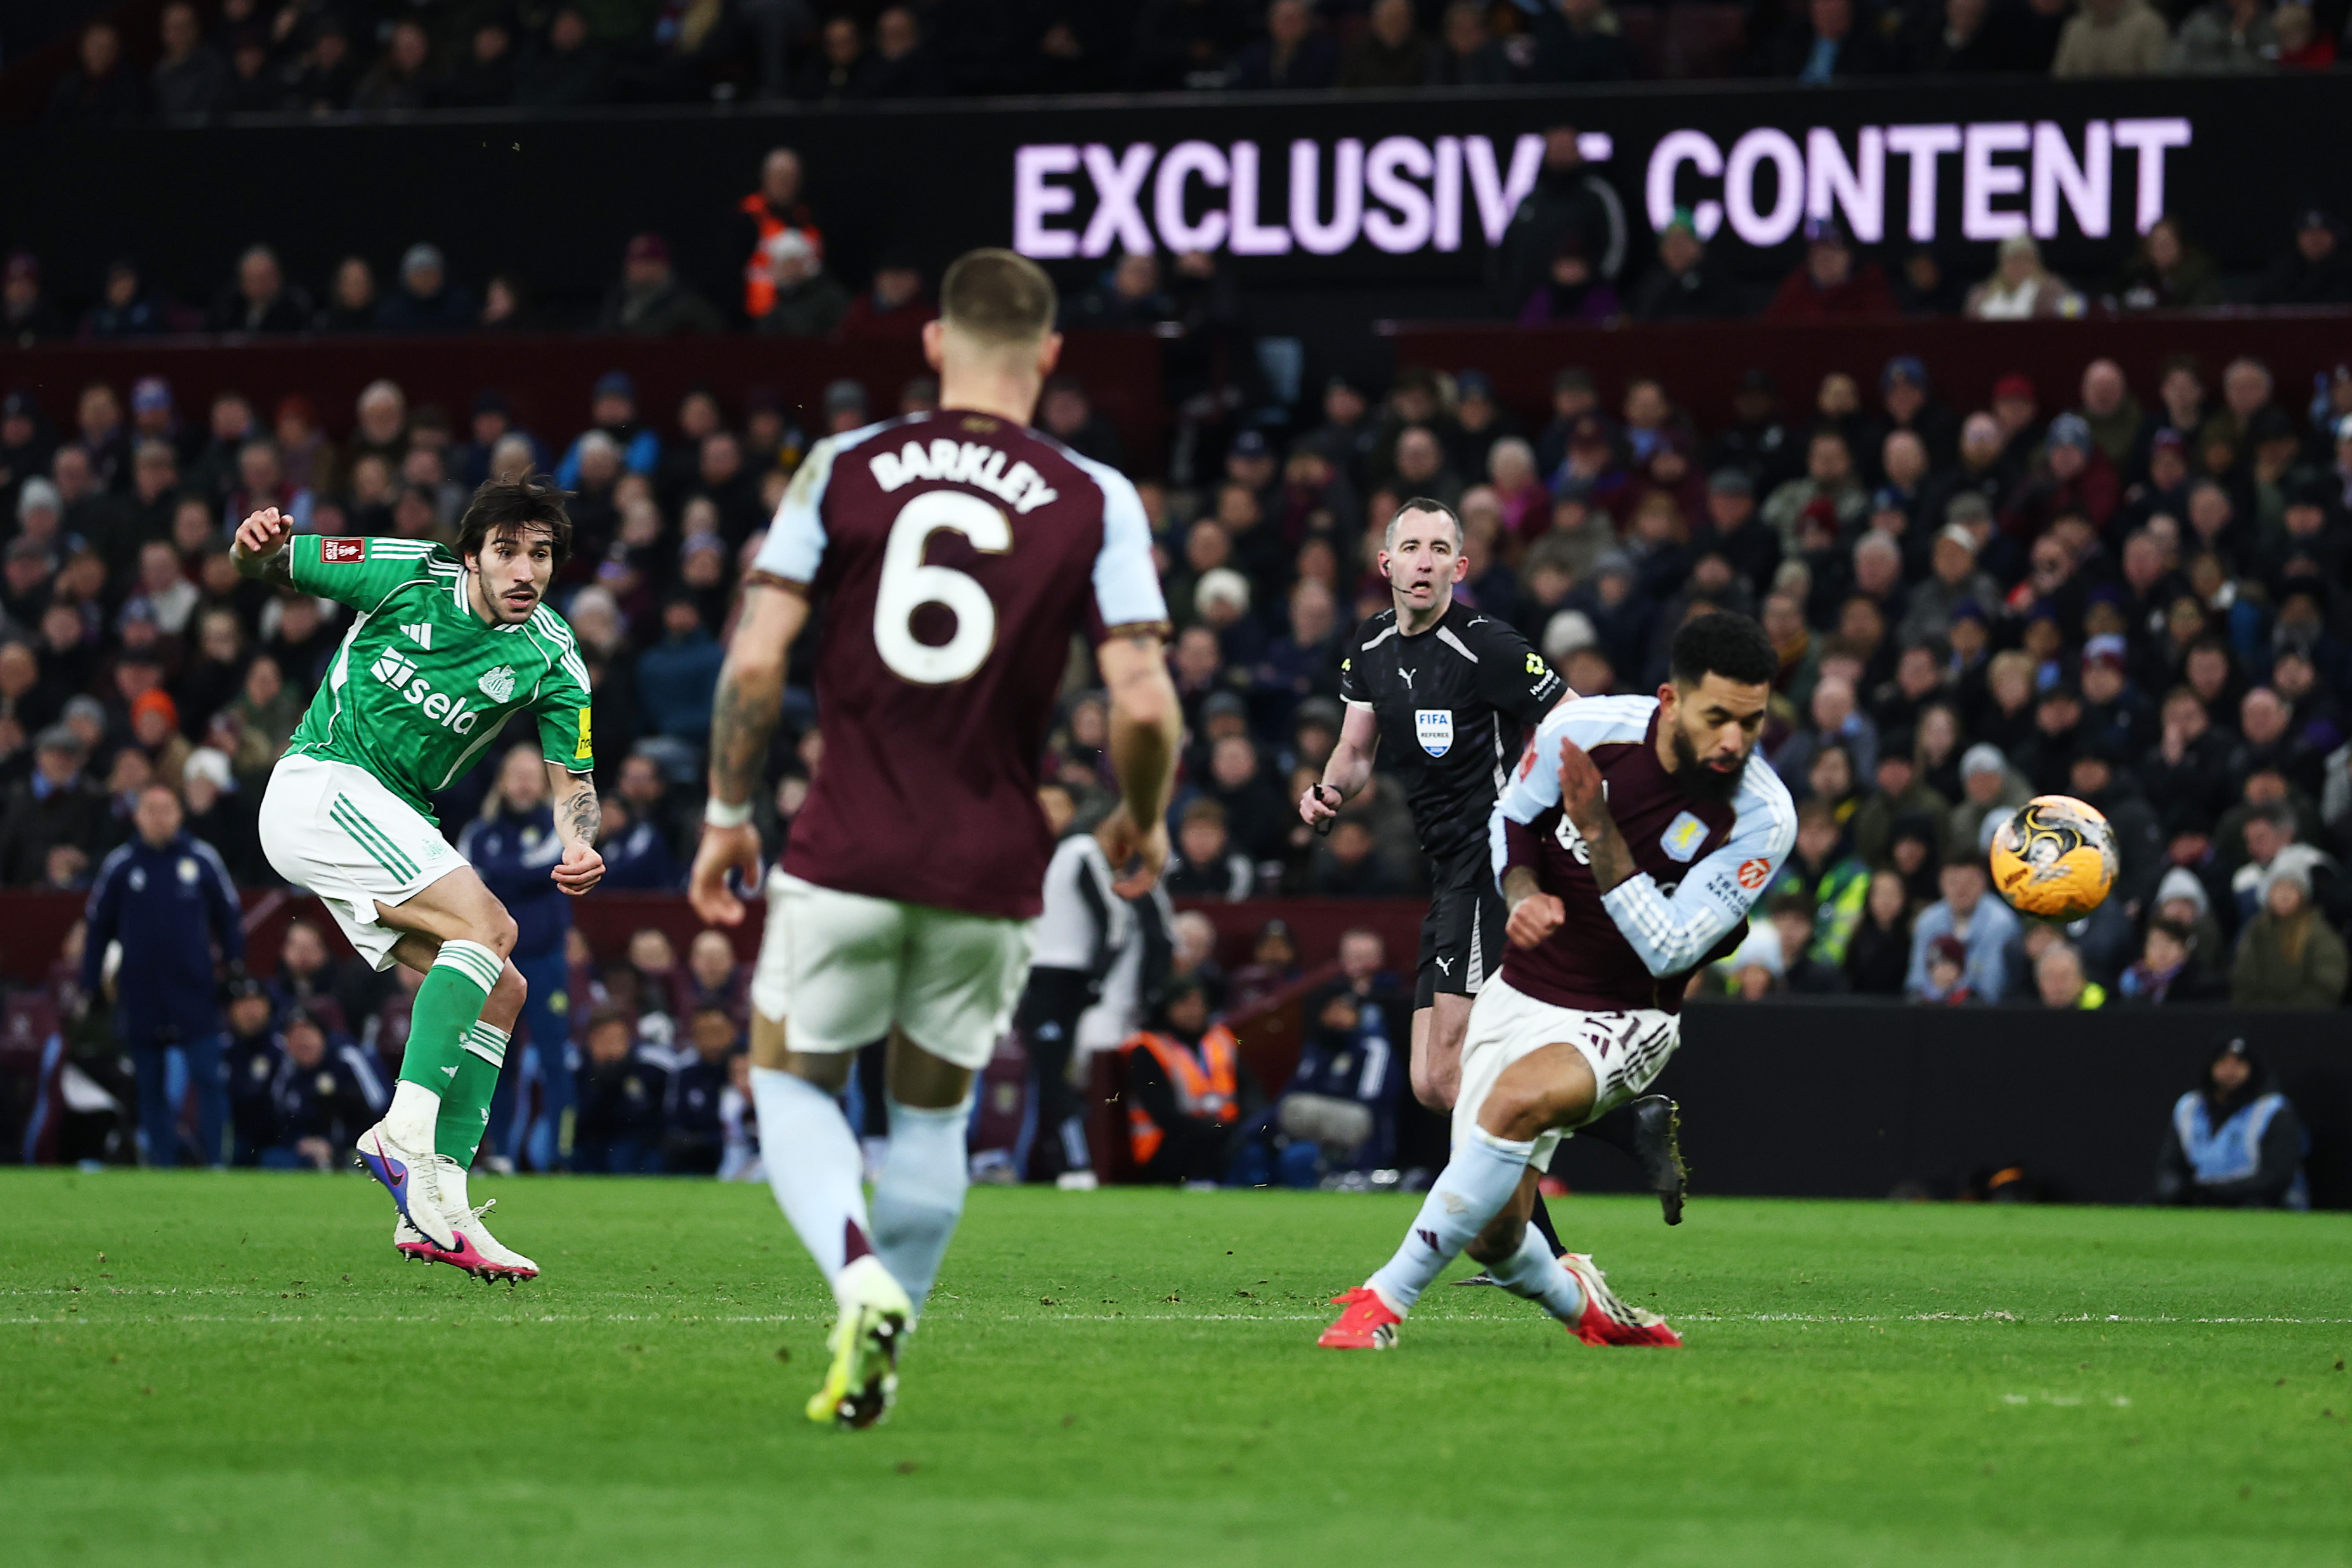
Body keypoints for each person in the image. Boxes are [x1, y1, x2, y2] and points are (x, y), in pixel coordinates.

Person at [687, 249, 1180, 1430]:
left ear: (930, 345)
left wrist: (723, 811)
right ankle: (886, 1325)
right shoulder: (1094, 495)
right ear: (1050, 356)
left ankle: (858, 1283)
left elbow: (755, 659)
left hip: (845, 845)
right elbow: (1148, 702)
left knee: (785, 1076)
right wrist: (1142, 819)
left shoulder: (838, 466)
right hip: (989, 867)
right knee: (932, 1117)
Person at [1319, 613, 1793, 1354]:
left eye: (1753, 721)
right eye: (1717, 718)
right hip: (1522, 992)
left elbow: (1670, 951)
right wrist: (1523, 887)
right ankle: (1587, 1311)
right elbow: (1514, 814)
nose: (1734, 740)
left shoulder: (1762, 816)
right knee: (1494, 1237)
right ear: (1670, 701)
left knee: (1510, 1106)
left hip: (1627, 1017)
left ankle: (1380, 1301)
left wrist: (1600, 833)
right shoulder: (1592, 730)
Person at [230, 476, 605, 1282]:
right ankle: (402, 1139)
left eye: (540, 555)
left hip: (388, 818)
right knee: (490, 927)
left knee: (503, 987)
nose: (524, 571)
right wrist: (251, 544)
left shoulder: (552, 657)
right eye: (506, 551)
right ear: (471, 555)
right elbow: (269, 566)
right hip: (322, 783)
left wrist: (578, 841)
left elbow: (574, 776)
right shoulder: (404, 572)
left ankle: (439, 1204)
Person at [1303, 497, 1689, 1229]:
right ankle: (1622, 1123)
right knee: (1432, 1081)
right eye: (1411, 547)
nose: (1424, 561)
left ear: (1460, 566)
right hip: (1446, 870)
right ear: (1386, 563)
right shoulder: (1371, 646)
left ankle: (1532, 1245)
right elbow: (1355, 752)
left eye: (1439, 549)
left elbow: (1576, 720)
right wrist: (1328, 791)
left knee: (1458, 1072)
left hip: (1494, 862)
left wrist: (1583, 817)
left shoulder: (1489, 647)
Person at [80, 782, 244, 1167]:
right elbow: (97, 927)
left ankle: (217, 1162)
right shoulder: (121, 865)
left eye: (166, 809)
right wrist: (91, 984)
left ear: (180, 814)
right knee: (148, 1086)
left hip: (194, 992)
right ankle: (160, 1165)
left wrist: (234, 968)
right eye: (150, 810)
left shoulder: (201, 859)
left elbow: (230, 918)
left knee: (208, 1079)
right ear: (137, 816)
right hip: (142, 994)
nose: (158, 818)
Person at [456, 743, 579, 1173]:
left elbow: (546, 866)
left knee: (554, 1060)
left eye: (533, 774)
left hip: (545, 960)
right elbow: (462, 881)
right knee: (494, 1058)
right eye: (517, 773)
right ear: (502, 781)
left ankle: (562, 1157)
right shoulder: (479, 831)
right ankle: (501, 1154)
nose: (525, 783)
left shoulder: (556, 827)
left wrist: (500, 873)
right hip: (495, 963)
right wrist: (512, 874)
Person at [1016, 802, 1134, 1188]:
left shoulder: (1080, 849)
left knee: (1052, 1074)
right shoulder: (1052, 854)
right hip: (1040, 974)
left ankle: (1078, 1165)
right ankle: (1060, 1161)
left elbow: (1114, 921)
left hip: (1061, 977)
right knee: (1046, 1073)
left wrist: (1095, 979)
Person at [1118, 976, 1260, 1184]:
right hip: (1166, 1145)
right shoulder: (1148, 1049)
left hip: (1223, 1134)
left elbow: (1250, 1091)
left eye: (1198, 1003)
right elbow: (1164, 1113)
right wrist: (1215, 1130)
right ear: (1167, 1007)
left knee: (1252, 1143)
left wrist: (1242, 1127)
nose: (1193, 1011)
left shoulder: (1221, 1041)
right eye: (1184, 1004)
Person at [2155, 1036, 2310, 1209]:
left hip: (2259, 1204)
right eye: (2223, 1062)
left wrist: (2217, 1192)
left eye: (2239, 1063)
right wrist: (2176, 1190)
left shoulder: (2272, 1110)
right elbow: (2169, 1164)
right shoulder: (2190, 1108)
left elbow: (2277, 1176)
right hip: (2203, 1203)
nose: (2230, 1070)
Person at [1906, 847, 2021, 1000]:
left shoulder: (2001, 923)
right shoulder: (1928, 921)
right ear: (1941, 883)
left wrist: (1953, 986)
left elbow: (1993, 986)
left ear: (1984, 883)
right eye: (1953, 882)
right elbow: (1916, 981)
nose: (1960, 890)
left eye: (1969, 883)